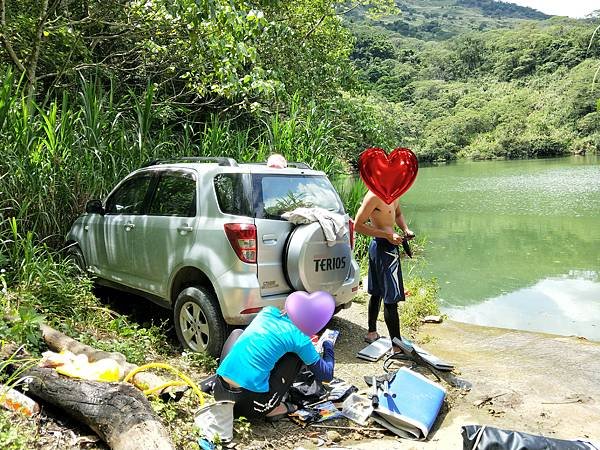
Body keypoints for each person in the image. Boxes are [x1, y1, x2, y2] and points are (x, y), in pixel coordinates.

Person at [213, 301, 335, 421]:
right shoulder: (300, 338)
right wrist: (328, 345)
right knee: (294, 357)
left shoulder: (267, 311)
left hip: (219, 393)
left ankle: (218, 379)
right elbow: (327, 375)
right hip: (248, 407)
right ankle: (273, 409)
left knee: (238, 333)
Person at [354, 190, 415, 350]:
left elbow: (398, 214)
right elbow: (358, 225)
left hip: (390, 247)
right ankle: (396, 346)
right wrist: (386, 235)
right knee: (391, 298)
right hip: (381, 248)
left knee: (378, 292)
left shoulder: (394, 193)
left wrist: (405, 229)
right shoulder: (373, 196)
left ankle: (371, 333)